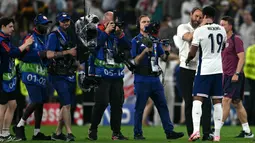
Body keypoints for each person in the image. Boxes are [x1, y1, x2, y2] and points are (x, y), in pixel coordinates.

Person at [14, 14, 76, 141]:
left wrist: (48, 59)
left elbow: (46, 57)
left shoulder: (44, 38)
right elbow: (21, 56)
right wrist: (39, 54)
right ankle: (19, 125)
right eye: (44, 24)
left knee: (41, 102)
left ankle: (37, 133)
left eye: (47, 24)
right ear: (37, 25)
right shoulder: (30, 38)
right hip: (30, 73)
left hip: (41, 74)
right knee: (36, 100)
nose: (46, 26)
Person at [131, 15, 184, 140]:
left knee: (162, 105)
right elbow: (135, 61)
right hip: (142, 78)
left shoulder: (154, 40)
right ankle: (137, 133)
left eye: (148, 22)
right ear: (139, 25)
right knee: (140, 107)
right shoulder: (135, 41)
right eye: (144, 22)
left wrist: (166, 51)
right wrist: (144, 51)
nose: (147, 24)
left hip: (155, 78)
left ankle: (169, 131)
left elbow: (163, 58)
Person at [186, 6, 227, 142]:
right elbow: (223, 47)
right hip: (218, 69)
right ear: (214, 17)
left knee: (197, 99)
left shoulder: (200, 31)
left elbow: (193, 52)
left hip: (204, 70)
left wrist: (187, 59)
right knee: (217, 102)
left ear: (204, 16)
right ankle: (216, 135)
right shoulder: (222, 29)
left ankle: (196, 131)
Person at [87, 11, 130, 141]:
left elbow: (129, 46)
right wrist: (106, 32)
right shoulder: (96, 31)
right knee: (102, 103)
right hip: (102, 75)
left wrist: (120, 34)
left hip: (117, 75)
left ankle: (116, 133)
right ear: (105, 21)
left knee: (117, 105)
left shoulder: (118, 34)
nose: (115, 23)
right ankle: (93, 129)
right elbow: (94, 47)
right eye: (113, 21)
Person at [176, 7, 213, 140]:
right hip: (186, 69)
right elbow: (189, 38)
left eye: (200, 17)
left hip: (202, 69)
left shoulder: (204, 30)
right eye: (196, 16)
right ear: (191, 15)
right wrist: (202, 27)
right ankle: (192, 132)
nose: (198, 19)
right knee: (189, 102)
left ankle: (207, 133)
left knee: (206, 102)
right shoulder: (182, 27)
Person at [0, 17, 33, 142]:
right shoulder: (1, 40)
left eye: (13, 27)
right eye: (10, 26)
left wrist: (25, 49)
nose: (13, 29)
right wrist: (25, 45)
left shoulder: (7, 39)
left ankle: (5, 133)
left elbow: (16, 52)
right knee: (2, 106)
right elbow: (12, 53)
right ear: (2, 26)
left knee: (13, 105)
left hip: (10, 78)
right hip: (2, 78)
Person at [220, 16, 254, 138]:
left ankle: (216, 129)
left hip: (234, 75)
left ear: (230, 26)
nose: (221, 27)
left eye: (223, 25)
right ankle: (247, 131)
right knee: (237, 103)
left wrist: (237, 73)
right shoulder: (222, 41)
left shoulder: (236, 40)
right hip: (226, 75)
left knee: (226, 100)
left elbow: (242, 58)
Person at [47, 12, 77, 142]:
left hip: (68, 72)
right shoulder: (53, 36)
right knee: (67, 104)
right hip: (57, 74)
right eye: (63, 21)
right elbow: (48, 54)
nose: (66, 23)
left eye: (68, 21)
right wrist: (67, 52)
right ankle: (69, 133)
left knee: (66, 105)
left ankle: (58, 133)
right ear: (58, 22)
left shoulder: (69, 35)